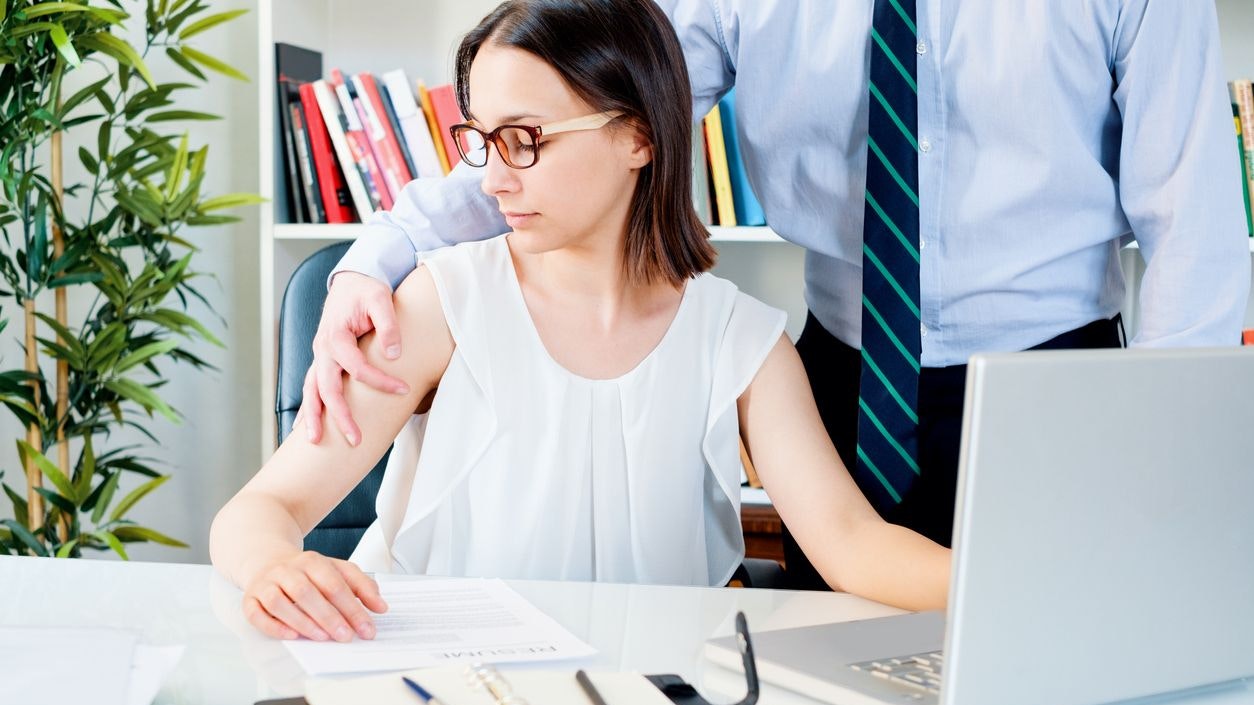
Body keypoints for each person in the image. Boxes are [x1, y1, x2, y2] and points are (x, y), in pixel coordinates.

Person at [299, 0, 1252, 590]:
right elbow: (585, 118)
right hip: (845, 373)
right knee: (846, 659)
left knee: (1059, 644)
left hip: (1058, 381)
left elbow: (1193, 231)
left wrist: (1166, 467)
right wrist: (375, 254)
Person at [212, 0, 950, 643]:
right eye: (483, 140)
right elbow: (261, 508)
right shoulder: (441, 303)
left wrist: (1033, 591)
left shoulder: (742, 342)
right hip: (437, 679)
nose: (494, 178)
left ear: (638, 136)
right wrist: (276, 564)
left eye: (526, 139)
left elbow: (854, 546)